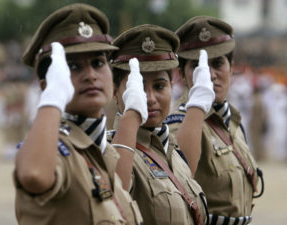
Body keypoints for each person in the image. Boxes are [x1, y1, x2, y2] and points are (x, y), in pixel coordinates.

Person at [13, 4, 143, 225]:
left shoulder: (104, 151)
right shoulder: (56, 150)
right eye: (73, 67)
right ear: (50, 83)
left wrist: (133, 114)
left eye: (98, 63)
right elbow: (34, 174)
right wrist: (53, 98)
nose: (91, 75)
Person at [107, 24, 215, 225]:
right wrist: (131, 115)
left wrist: (198, 106)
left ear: (172, 87)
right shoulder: (112, 151)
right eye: (138, 88)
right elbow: (115, 201)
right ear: (115, 91)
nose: (149, 98)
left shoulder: (172, 152)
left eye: (159, 86)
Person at [166, 16, 264, 225]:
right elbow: (179, 180)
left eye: (218, 63)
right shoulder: (181, 123)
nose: (210, 75)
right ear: (182, 75)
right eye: (197, 67)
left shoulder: (231, 119)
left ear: (232, 68)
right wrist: (198, 104)